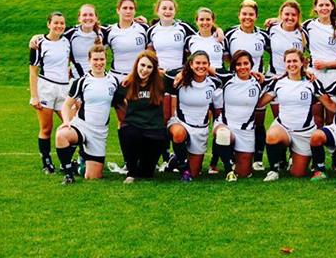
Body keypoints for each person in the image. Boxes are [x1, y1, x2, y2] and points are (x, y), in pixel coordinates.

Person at [54, 45, 122, 184]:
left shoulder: (114, 81)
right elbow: (66, 105)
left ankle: (81, 162)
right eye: (95, 59)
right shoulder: (82, 81)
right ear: (89, 61)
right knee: (61, 135)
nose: (99, 63)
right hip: (82, 126)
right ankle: (68, 174)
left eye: (101, 59)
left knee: (93, 177)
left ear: (106, 60)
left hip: (99, 133)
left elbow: (121, 104)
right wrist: (66, 122)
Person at [258, 49, 327, 181]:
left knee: (298, 173)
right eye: (288, 61)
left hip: (304, 133)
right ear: (284, 64)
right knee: (272, 135)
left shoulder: (312, 82)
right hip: (283, 128)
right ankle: (274, 170)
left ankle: (294, 159)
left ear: (302, 63)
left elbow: (329, 104)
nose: (291, 64)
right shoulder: (278, 82)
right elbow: (260, 103)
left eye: (295, 61)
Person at [223, 0, 271, 171]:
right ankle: (224, 158)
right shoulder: (230, 34)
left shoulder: (263, 35)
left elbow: (278, 50)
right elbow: (226, 57)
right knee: (232, 120)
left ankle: (257, 158)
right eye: (244, 14)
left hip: (256, 84)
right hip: (236, 84)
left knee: (257, 121)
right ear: (239, 15)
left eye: (251, 14)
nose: (247, 17)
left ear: (256, 16)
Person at [165, 51, 220, 182]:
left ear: (209, 65)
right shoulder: (180, 80)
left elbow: (229, 75)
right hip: (180, 123)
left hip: (200, 128)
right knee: (178, 134)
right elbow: (165, 73)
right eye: (197, 63)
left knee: (195, 172)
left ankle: (176, 159)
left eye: (204, 63)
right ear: (190, 64)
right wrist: (182, 72)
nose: (201, 66)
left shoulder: (214, 83)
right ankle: (183, 168)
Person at [116, 50, 169, 183]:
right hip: (134, 126)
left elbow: (181, 75)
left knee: (147, 173)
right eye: (142, 65)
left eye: (149, 67)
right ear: (136, 65)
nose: (144, 70)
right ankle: (130, 171)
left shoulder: (162, 81)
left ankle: (148, 164)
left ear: (154, 69)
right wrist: (123, 119)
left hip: (154, 129)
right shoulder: (127, 83)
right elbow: (116, 101)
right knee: (128, 132)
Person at [212, 50, 265, 181]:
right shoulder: (227, 78)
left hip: (246, 131)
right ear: (234, 66)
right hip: (225, 125)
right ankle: (229, 170)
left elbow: (283, 77)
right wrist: (180, 75)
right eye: (238, 64)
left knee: (244, 173)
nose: (242, 67)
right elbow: (202, 66)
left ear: (251, 65)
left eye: (246, 63)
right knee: (223, 134)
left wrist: (307, 72)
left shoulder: (259, 81)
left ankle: (234, 159)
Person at [29, 11, 71, 174]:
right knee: (46, 128)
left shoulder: (67, 41)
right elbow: (33, 71)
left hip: (64, 89)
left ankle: (66, 161)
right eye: (56, 23)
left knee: (71, 125)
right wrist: (34, 96)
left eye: (62, 23)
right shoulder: (39, 43)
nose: (59, 26)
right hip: (46, 88)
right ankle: (46, 162)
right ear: (49, 24)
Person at [29, 4, 104, 79]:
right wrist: (37, 37)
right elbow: (54, 33)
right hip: (78, 81)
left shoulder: (104, 32)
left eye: (91, 15)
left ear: (96, 18)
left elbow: (115, 31)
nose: (88, 18)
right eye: (84, 15)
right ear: (79, 18)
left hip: (99, 79)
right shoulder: (71, 33)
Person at [303, 0, 336, 88]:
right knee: (313, 103)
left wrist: (326, 64)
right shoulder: (308, 25)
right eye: (321, 5)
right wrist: (276, 20)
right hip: (313, 74)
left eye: (327, 5)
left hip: (334, 75)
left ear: (332, 7)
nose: (324, 8)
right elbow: (290, 24)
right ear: (315, 8)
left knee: (333, 103)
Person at [103, 0, 149, 79]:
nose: (128, 11)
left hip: (139, 76)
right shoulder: (109, 31)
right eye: (125, 8)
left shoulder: (144, 28)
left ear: (135, 11)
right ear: (118, 10)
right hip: (117, 77)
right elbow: (98, 53)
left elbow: (152, 51)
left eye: (131, 8)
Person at [147, 0, 196, 72]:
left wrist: (217, 30)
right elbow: (149, 52)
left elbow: (203, 35)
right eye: (164, 8)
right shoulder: (151, 30)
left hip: (180, 73)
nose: (167, 11)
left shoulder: (184, 27)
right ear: (157, 11)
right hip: (159, 73)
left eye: (171, 9)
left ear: (175, 11)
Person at [185, 7, 226, 73]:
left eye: (208, 19)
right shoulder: (190, 40)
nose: (205, 22)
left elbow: (227, 58)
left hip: (218, 77)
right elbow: (185, 59)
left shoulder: (221, 38)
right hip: (198, 78)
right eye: (201, 19)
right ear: (196, 21)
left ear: (213, 21)